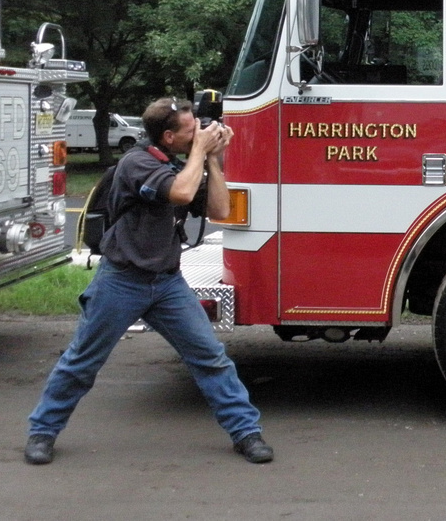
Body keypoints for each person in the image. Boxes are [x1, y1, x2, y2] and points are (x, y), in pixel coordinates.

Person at [24, 98, 273, 465]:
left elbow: (220, 211)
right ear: (168, 136)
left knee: (211, 359)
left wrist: (213, 161)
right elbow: (182, 193)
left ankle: (246, 433)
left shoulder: (181, 161)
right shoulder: (137, 163)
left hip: (168, 283)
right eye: (191, 131)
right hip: (121, 281)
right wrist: (200, 153)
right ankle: (42, 433)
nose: (199, 134)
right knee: (81, 362)